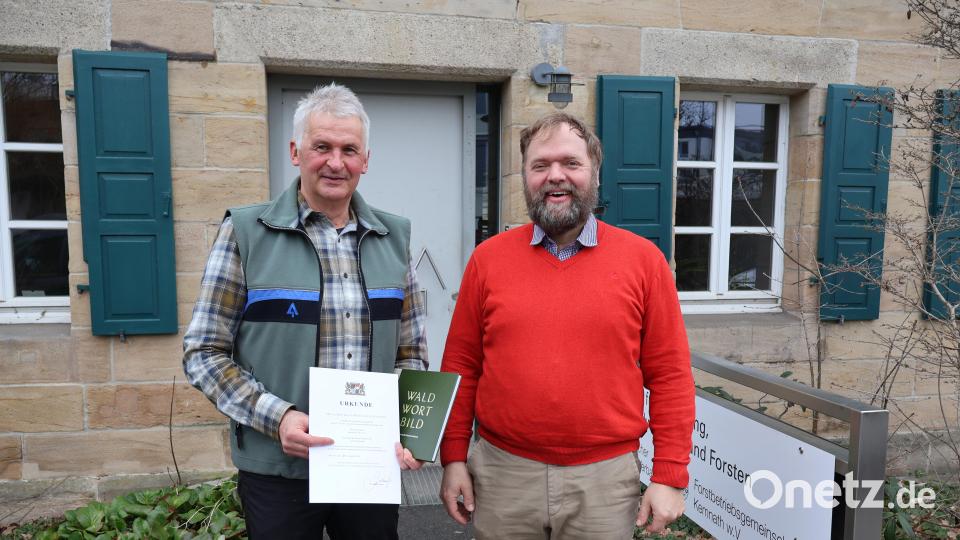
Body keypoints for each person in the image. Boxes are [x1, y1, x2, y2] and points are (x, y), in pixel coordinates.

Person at [183, 83, 427, 540]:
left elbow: (411, 354)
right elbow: (203, 351)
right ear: (296, 152)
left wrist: (407, 428)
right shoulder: (246, 233)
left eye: (349, 149)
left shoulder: (394, 238)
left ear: (366, 160)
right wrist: (278, 417)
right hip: (280, 468)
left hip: (367, 469)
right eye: (322, 147)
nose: (336, 162)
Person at [438, 112, 695, 539]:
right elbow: (462, 365)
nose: (555, 176)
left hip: (604, 483)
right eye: (541, 165)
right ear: (525, 174)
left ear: (595, 171)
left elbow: (670, 375)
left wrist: (669, 475)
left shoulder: (643, 261)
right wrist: (452, 458)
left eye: (570, 163)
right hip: (503, 476)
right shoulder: (489, 259)